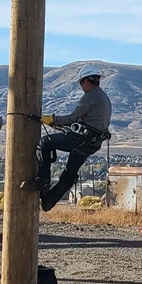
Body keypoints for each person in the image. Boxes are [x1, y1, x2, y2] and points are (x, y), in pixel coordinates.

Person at [37, 64, 112, 211]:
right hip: (91, 144)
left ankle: (42, 182)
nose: (81, 87)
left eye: (81, 83)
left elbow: (72, 118)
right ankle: (49, 201)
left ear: (86, 82)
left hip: (80, 140)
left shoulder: (90, 97)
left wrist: (52, 119)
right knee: (70, 172)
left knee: (45, 143)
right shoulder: (103, 97)